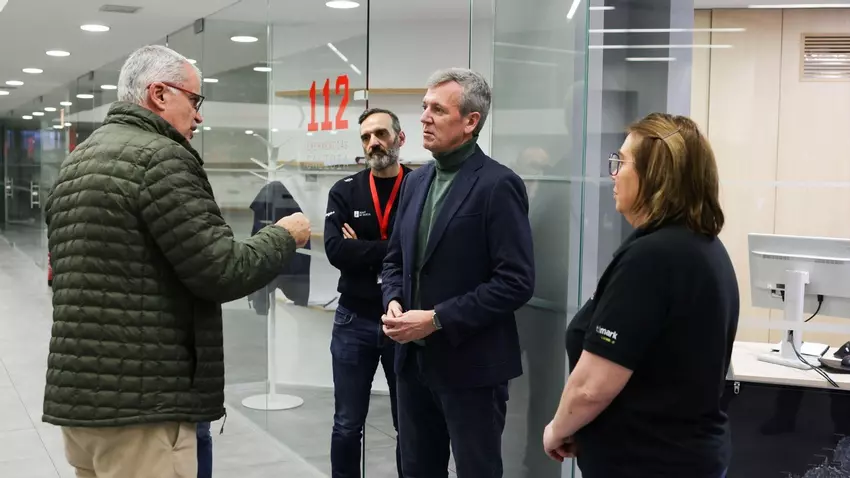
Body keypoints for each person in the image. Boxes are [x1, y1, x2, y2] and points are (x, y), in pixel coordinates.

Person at [43, 45, 311, 478]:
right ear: (159, 93)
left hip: (82, 401)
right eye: (194, 99)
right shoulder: (161, 158)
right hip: (143, 409)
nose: (199, 116)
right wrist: (284, 235)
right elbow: (222, 270)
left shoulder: (78, 161)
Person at [543, 113, 739, 478]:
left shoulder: (653, 258)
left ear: (656, 175)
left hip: (648, 460)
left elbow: (592, 388)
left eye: (621, 162)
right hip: (683, 454)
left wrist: (558, 428)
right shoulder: (702, 246)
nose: (613, 174)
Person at [381, 68, 535, 477]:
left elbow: (516, 282)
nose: (424, 118)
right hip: (412, 367)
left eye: (437, 109)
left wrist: (436, 319)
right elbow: (395, 260)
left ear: (471, 121)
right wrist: (393, 299)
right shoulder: (415, 182)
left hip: (473, 369)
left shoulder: (499, 185)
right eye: (424, 107)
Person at [324, 108, 411, 478]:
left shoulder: (420, 186)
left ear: (400, 138)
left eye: (381, 134)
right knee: (347, 423)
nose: (373, 142)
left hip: (405, 321)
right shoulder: (344, 190)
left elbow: (426, 251)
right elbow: (335, 250)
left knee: (408, 422)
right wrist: (396, 247)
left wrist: (363, 247)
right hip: (354, 319)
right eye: (365, 137)